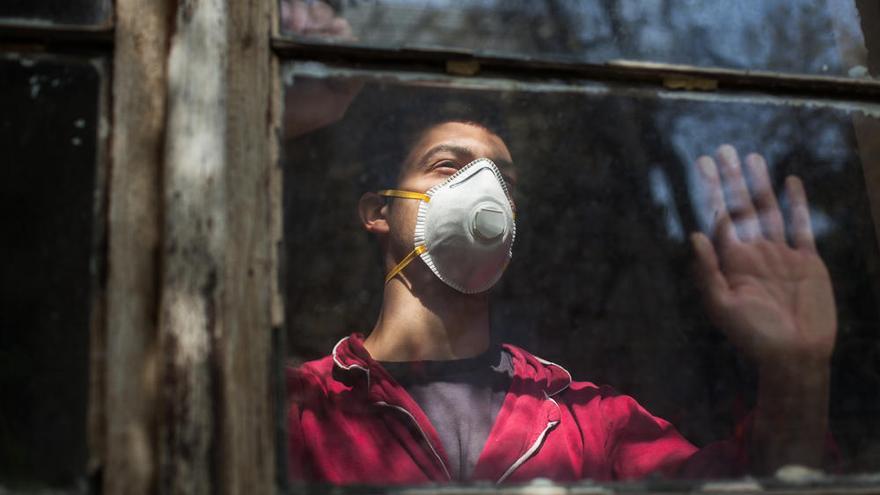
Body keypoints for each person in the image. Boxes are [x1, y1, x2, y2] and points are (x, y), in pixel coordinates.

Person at [286, 117, 837, 484]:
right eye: (449, 167)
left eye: (503, 181)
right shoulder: (302, 407)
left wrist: (797, 371)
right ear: (378, 212)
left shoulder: (586, 419)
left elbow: (759, 485)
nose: (483, 192)